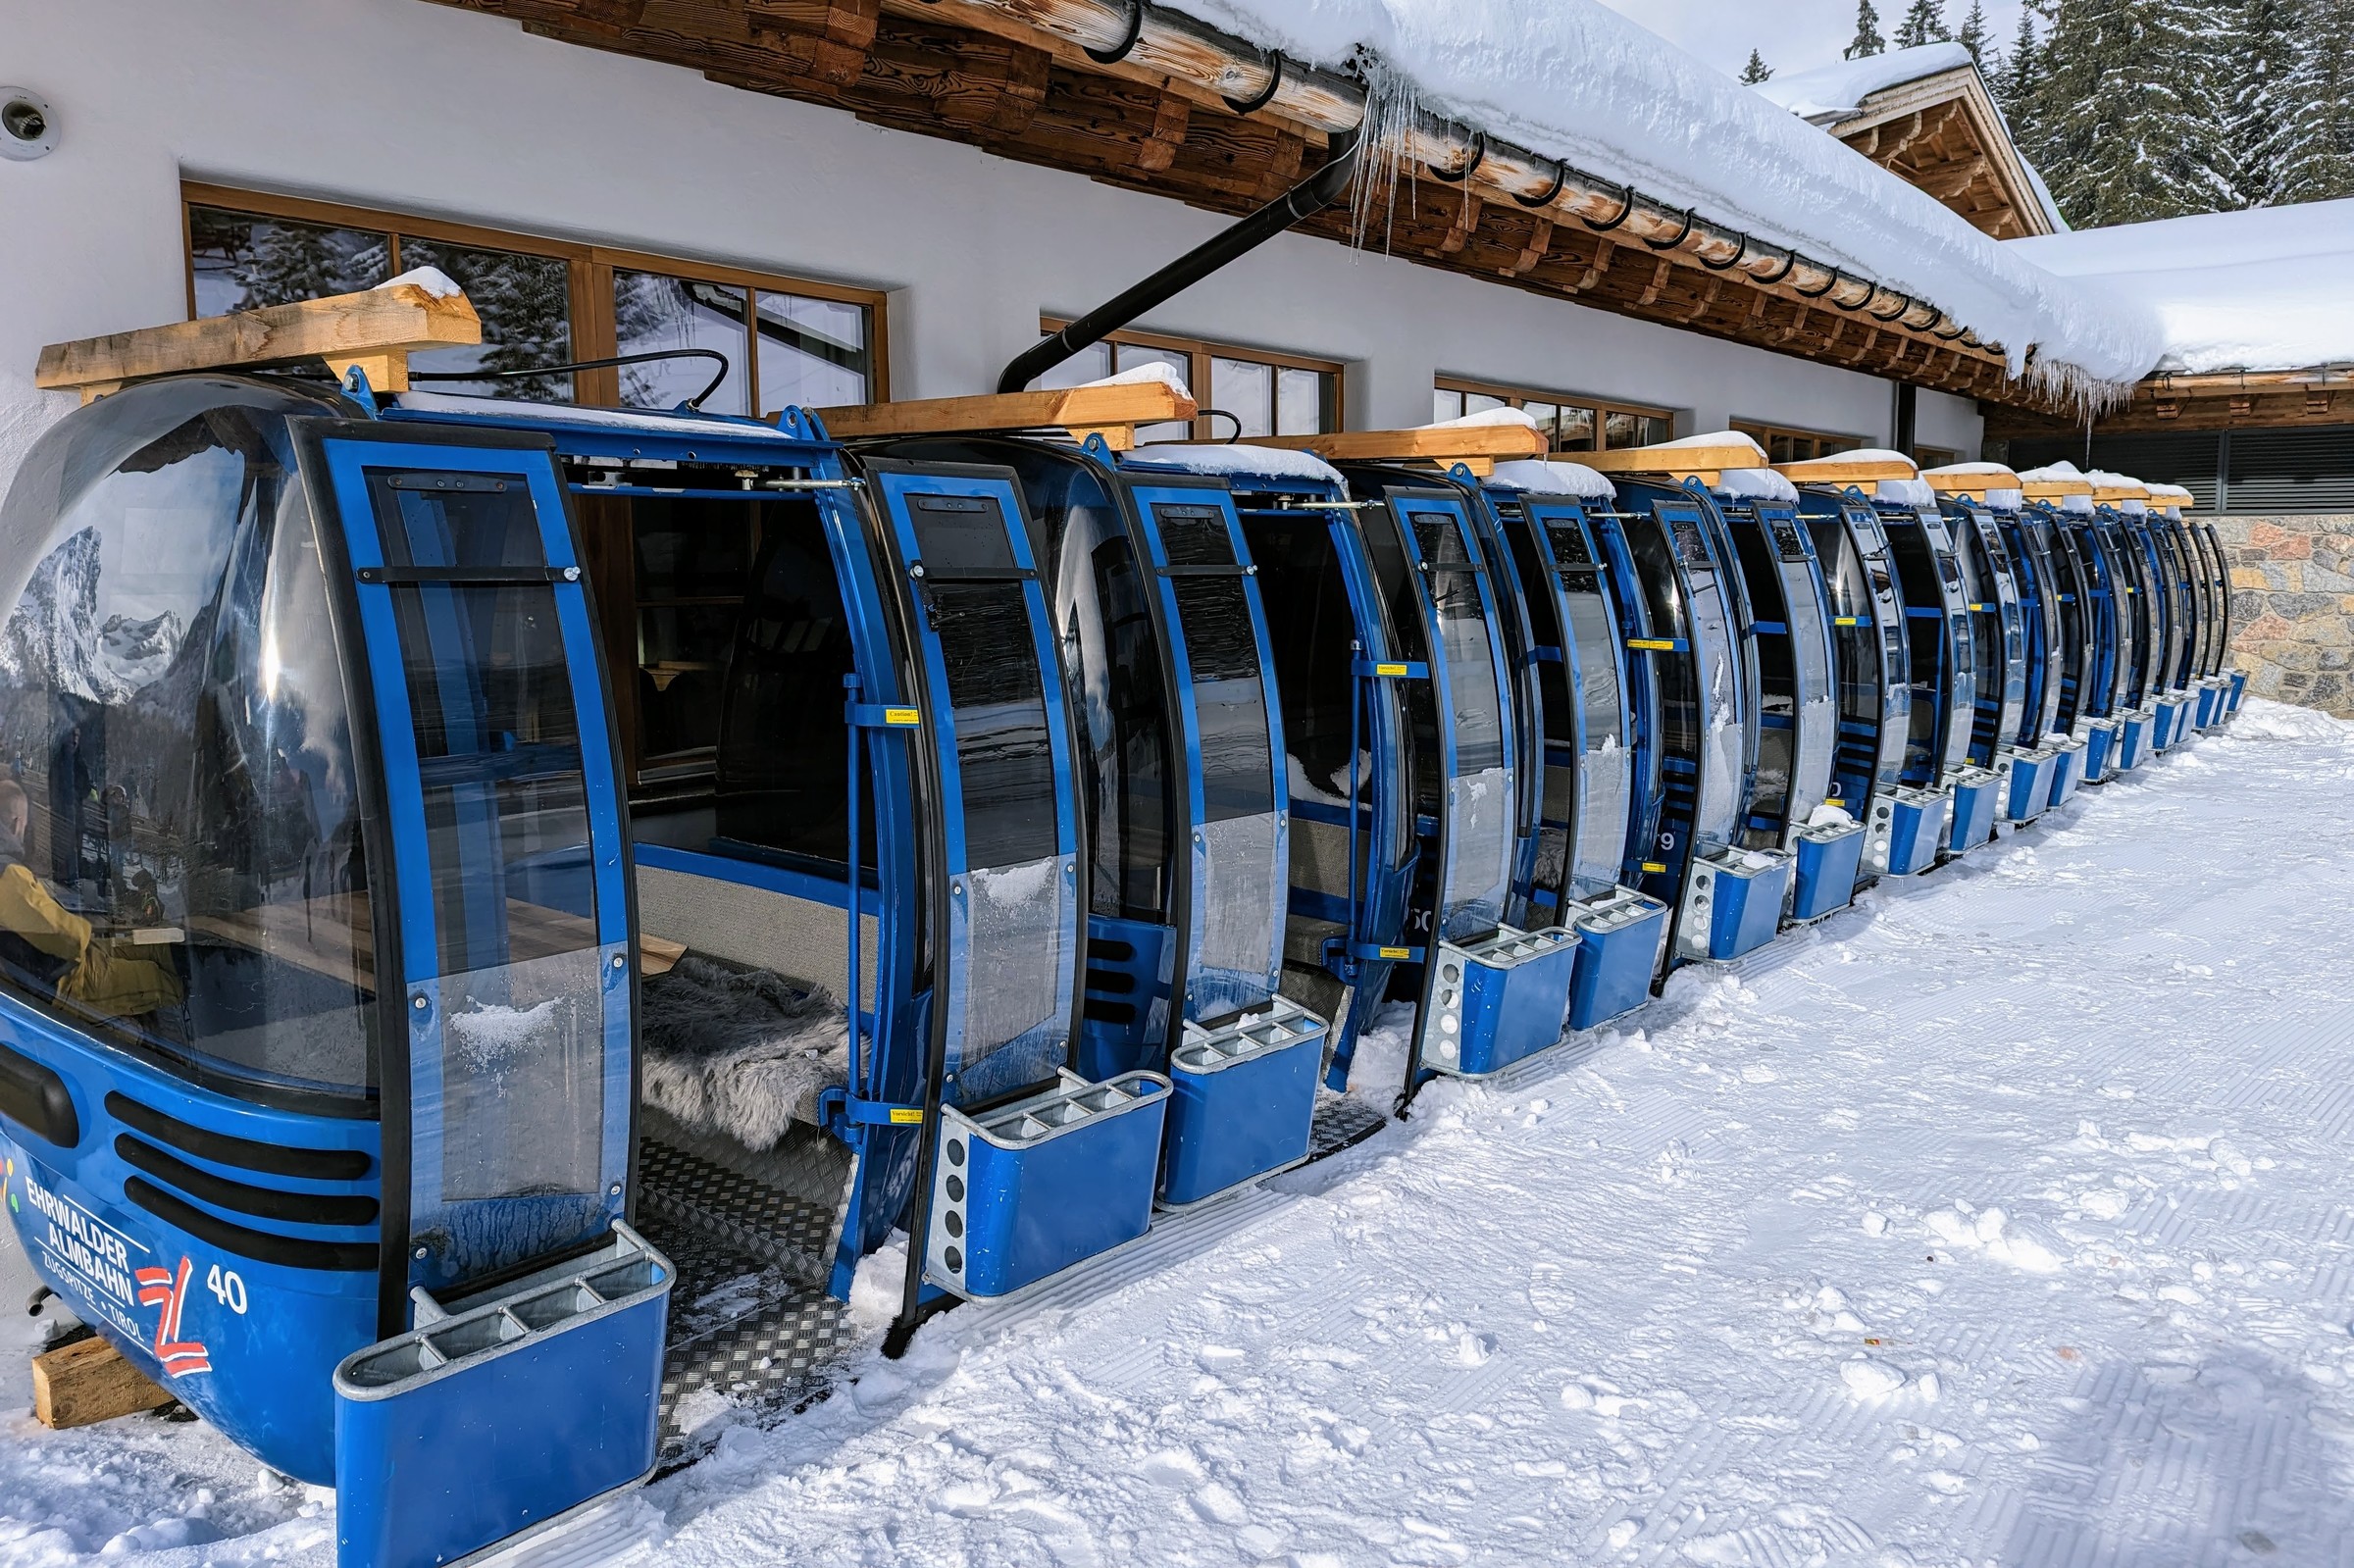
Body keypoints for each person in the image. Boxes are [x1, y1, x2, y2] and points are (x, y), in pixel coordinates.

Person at [0, 779, 181, 1020]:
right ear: (16, 824)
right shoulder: (6, 873)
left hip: (57, 963)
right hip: (65, 979)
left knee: (148, 948)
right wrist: (88, 928)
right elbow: (67, 937)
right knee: (158, 979)